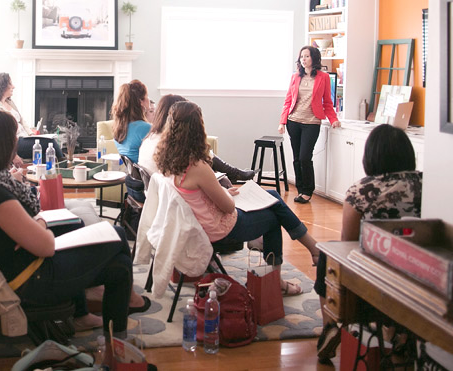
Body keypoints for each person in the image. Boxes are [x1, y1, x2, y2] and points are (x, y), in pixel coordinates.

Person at [0, 109, 147, 335]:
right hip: (32, 280)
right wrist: (40, 223)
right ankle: (118, 335)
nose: (17, 142)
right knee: (117, 236)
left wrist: (36, 224)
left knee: (120, 265)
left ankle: (111, 336)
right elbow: (46, 246)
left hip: (29, 265)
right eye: (13, 137)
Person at [155, 101, 320, 294]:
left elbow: (198, 196)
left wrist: (221, 190)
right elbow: (228, 208)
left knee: (272, 195)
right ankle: (280, 276)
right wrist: (225, 192)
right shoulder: (198, 167)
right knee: (274, 216)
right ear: (197, 130)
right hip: (218, 230)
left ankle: (307, 250)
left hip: (195, 226)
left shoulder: (166, 162)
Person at [313, 124, 422, 362]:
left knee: (328, 253)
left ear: (371, 156)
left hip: (375, 280)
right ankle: (399, 334)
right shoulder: (425, 185)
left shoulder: (362, 191)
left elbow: (347, 244)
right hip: (419, 275)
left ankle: (330, 325)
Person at [140, 94, 254, 182]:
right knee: (223, 180)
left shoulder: (150, 139)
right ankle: (234, 173)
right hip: (169, 192)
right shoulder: (170, 145)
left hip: (155, 190)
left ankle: (233, 173)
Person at [278, 45, 341, 204]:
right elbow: (288, 101)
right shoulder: (295, 77)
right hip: (293, 121)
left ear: (314, 58)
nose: (303, 59)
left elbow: (327, 102)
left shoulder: (323, 77)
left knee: (305, 157)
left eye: (306, 56)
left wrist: (333, 119)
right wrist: (282, 122)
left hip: (312, 122)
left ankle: (308, 191)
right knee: (297, 158)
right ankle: (301, 190)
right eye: (301, 57)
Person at [0, 72, 64, 162]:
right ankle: (66, 163)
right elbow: (0, 133)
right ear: (2, 85)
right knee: (50, 142)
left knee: (45, 152)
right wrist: (13, 154)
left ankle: (46, 170)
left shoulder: (10, 102)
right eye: (10, 83)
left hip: (25, 138)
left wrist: (31, 134)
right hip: (15, 142)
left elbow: (22, 120)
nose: (13, 86)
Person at [111, 79, 151, 163]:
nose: (149, 100)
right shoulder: (146, 128)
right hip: (145, 170)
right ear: (141, 102)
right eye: (147, 96)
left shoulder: (118, 127)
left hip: (131, 170)